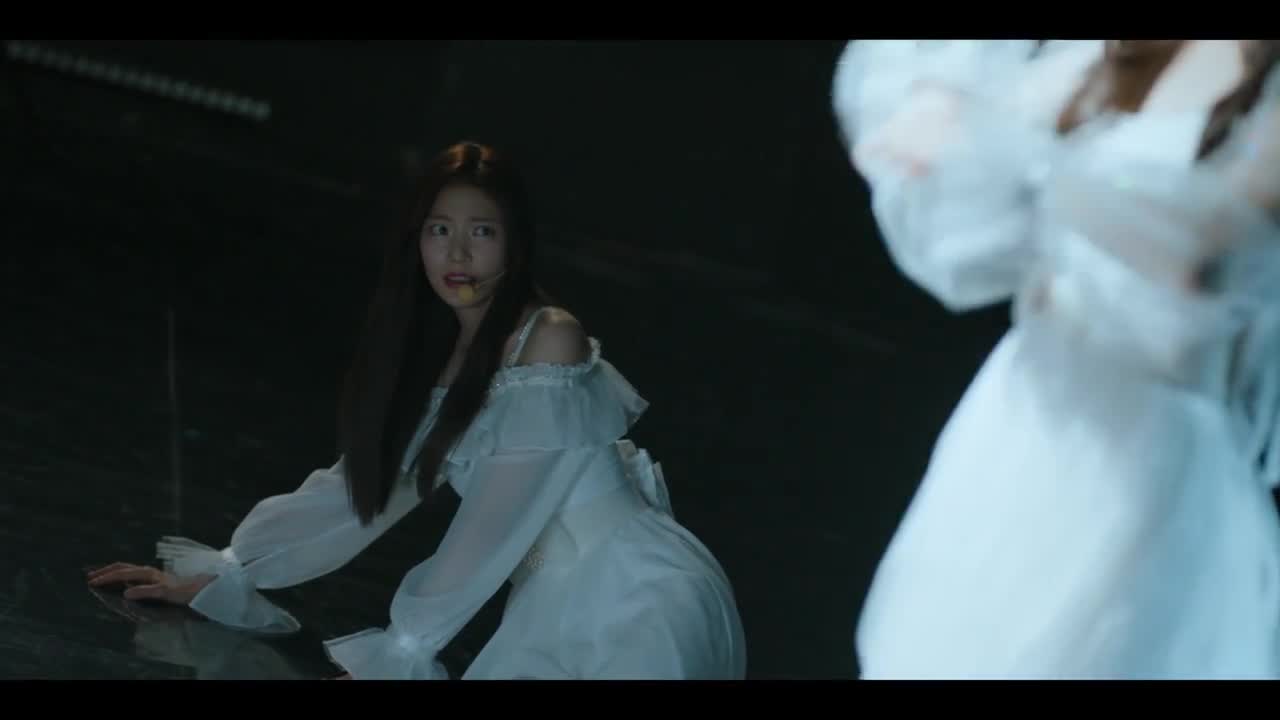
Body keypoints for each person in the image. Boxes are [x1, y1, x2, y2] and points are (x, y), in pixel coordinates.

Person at [88, 140, 747, 680]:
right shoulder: (444, 361)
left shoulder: (550, 339)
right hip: (552, 605)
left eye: (481, 232)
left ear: (515, 243)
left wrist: (403, 652)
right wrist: (231, 570)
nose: (456, 255)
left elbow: (493, 523)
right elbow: (360, 494)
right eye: (439, 230)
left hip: (639, 601)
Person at [832, 40, 1280, 679]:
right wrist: (939, 111)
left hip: (1141, 455)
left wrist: (1025, 160)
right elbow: (983, 112)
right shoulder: (1123, 53)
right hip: (1023, 415)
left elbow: (1203, 251)